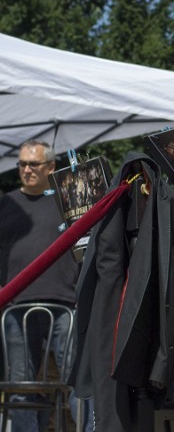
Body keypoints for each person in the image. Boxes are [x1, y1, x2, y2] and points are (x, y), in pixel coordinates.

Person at [0, 140, 91, 432]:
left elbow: (88, 245)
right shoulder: (7, 203)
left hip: (65, 304)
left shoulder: (67, 201)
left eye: (33, 164)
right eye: (22, 164)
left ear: (51, 167)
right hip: (16, 307)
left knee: (77, 381)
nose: (26, 170)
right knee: (21, 387)